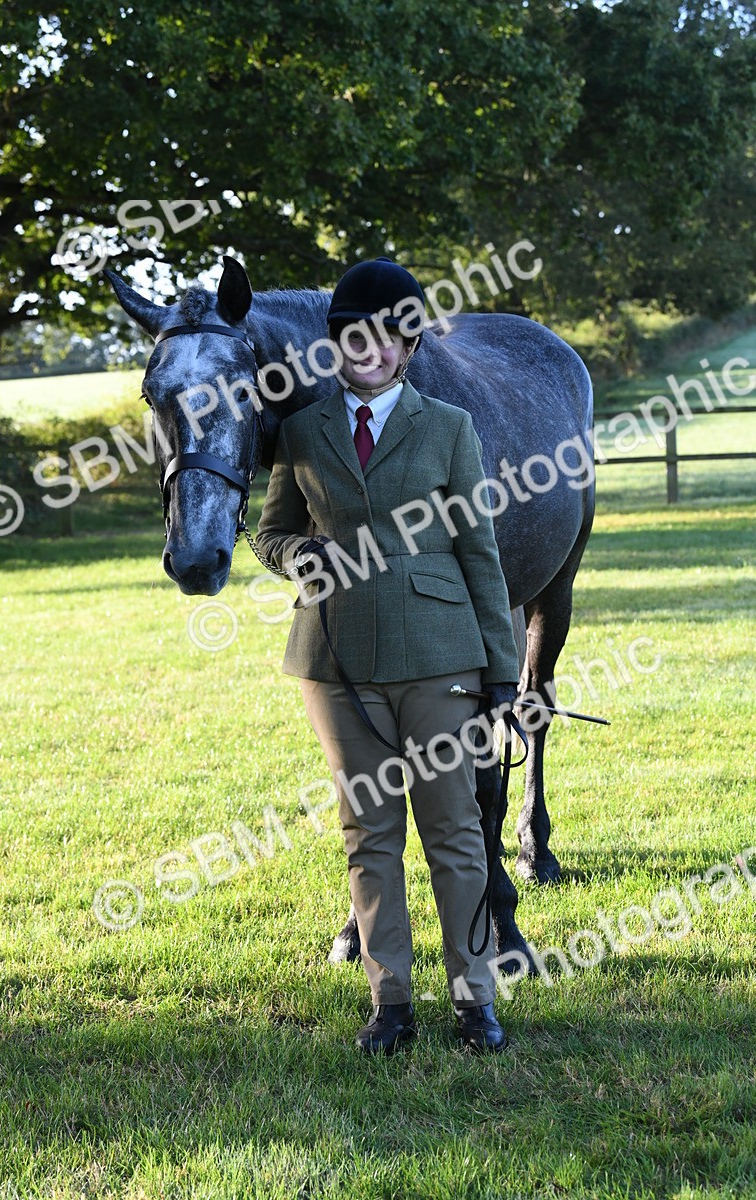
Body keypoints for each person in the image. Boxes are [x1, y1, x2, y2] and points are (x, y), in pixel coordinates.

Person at [256, 257, 521, 1054]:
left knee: (454, 831)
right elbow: (270, 532)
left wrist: (503, 672)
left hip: (441, 656)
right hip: (332, 659)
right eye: (350, 336)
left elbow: (480, 549)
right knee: (367, 834)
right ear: (335, 344)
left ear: (406, 346)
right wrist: (298, 556)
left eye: (383, 336)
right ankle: (391, 1001)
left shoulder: (449, 428)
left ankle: (475, 1000)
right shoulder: (302, 431)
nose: (365, 348)